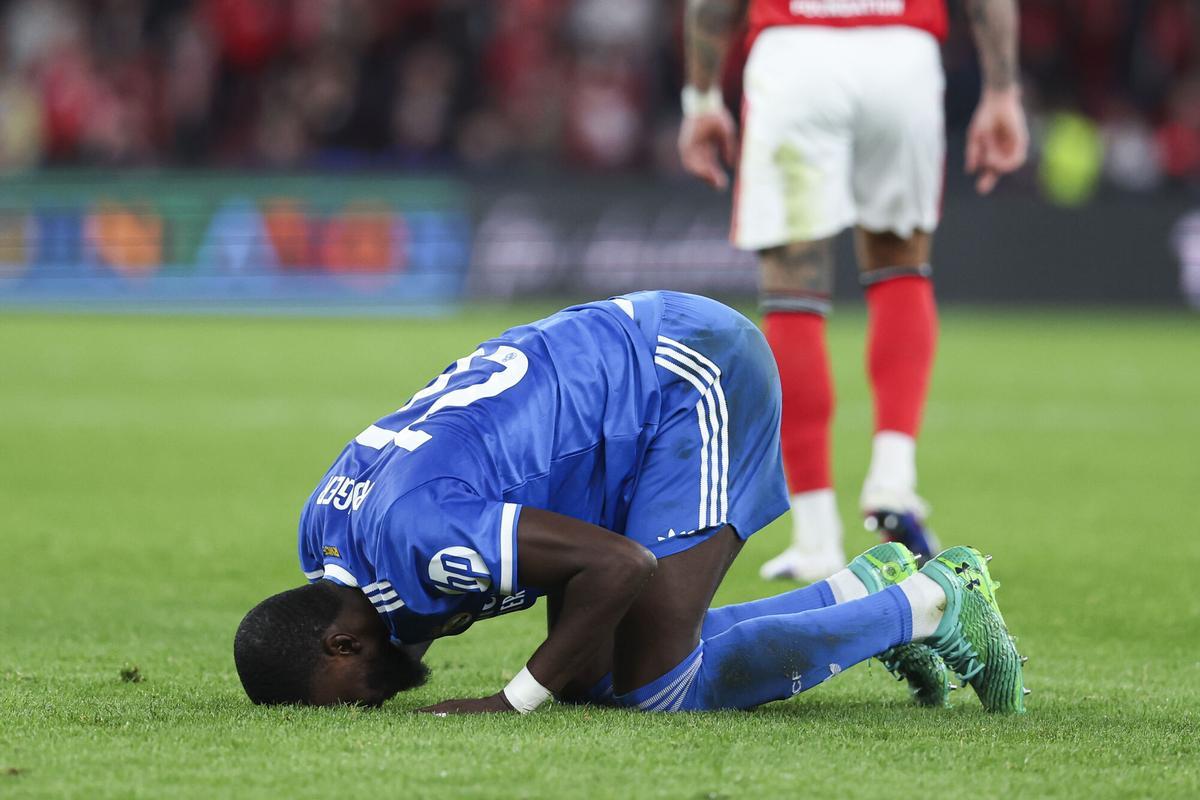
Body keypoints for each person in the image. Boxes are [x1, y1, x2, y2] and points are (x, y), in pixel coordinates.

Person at [233, 291, 1024, 713]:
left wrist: (515, 702)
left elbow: (619, 565)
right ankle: (862, 590)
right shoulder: (328, 533)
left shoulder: (420, 536)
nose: (370, 707)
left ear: (340, 646)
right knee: (592, 671)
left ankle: (930, 602)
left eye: (353, 700)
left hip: (684, 376)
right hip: (609, 394)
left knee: (657, 684)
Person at [677, 0, 1029, 580]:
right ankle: (894, 479)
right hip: (901, 56)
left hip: (797, 54)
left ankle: (816, 536)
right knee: (900, 265)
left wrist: (701, 100)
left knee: (793, 289)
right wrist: (1002, 91)